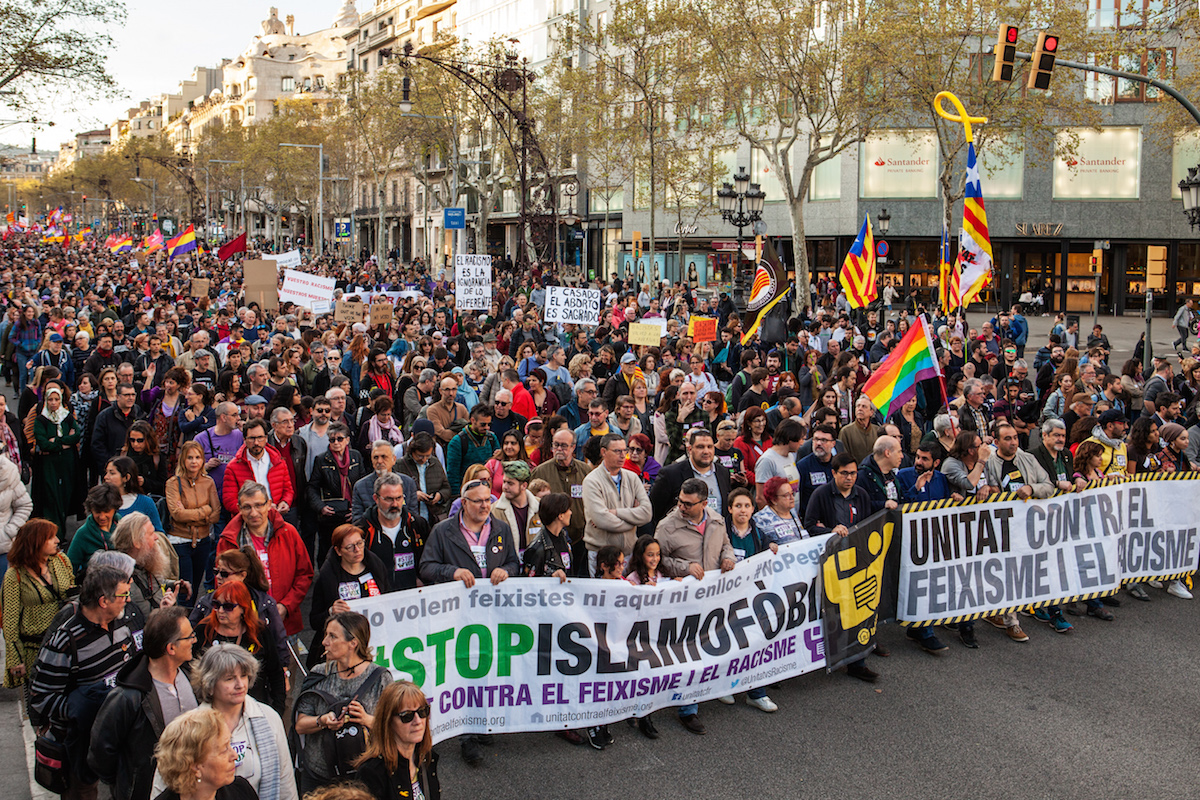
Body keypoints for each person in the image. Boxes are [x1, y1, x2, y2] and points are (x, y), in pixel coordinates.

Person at [418, 478, 519, 766]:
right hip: (458, 617)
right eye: (479, 501)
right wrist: (452, 572)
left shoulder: (500, 528)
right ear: (464, 503)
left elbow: (514, 562)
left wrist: (506, 572)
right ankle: (466, 736)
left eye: (488, 500)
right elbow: (426, 567)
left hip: (492, 614)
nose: (486, 505)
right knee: (463, 670)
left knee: (488, 666)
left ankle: (482, 720)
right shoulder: (442, 531)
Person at [30, 565, 137, 800]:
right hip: (79, 747)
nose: (128, 600)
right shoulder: (65, 641)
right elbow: (40, 697)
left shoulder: (121, 625)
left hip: (116, 739)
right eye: (123, 595)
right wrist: (79, 708)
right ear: (103, 601)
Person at [654, 477, 735, 735]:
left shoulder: (716, 519)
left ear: (704, 503)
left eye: (688, 503)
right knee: (688, 653)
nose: (681, 507)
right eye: (680, 501)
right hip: (684, 602)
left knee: (712, 645)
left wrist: (728, 559)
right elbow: (657, 559)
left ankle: (712, 688)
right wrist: (684, 568)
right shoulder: (667, 527)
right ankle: (688, 709)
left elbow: (725, 545)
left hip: (713, 598)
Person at [89, 607, 197, 800]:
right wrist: (128, 783)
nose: (194, 641)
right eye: (189, 637)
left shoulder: (192, 679)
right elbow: (101, 753)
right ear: (171, 648)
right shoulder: (127, 698)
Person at [294, 612, 393, 791]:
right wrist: (322, 721)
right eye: (326, 635)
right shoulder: (318, 674)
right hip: (318, 777)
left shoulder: (381, 678)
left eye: (332, 636)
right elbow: (300, 725)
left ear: (353, 643)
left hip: (363, 777)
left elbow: (394, 727)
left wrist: (366, 720)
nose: (324, 642)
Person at [187, 644, 298, 800]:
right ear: (209, 685)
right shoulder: (191, 726)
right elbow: (170, 782)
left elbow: (285, 781)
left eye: (244, 675)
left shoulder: (268, 717)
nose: (240, 684)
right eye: (230, 678)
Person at [217, 481, 313, 639]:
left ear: (269, 504)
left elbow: (304, 574)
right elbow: (221, 583)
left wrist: (285, 606)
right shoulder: (228, 541)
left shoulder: (289, 533)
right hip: (244, 624)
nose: (253, 513)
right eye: (247, 507)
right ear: (239, 509)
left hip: (284, 621)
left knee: (286, 663)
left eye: (259, 505)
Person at [193, 581, 286, 714]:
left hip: (255, 709)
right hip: (213, 711)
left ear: (243, 608)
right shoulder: (204, 630)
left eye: (228, 606)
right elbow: (193, 672)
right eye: (216, 605)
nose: (220, 611)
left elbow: (275, 673)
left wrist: (277, 709)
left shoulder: (259, 632)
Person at [3, 519, 74, 688]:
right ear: (36, 542)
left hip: (66, 645)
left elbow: (72, 591)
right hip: (35, 650)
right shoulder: (15, 576)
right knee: (37, 702)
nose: (57, 540)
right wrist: (14, 659)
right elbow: (10, 621)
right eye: (51, 537)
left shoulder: (61, 561)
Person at [308, 524, 390, 667]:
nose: (357, 550)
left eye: (359, 543)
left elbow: (390, 600)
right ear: (338, 551)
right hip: (343, 652)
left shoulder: (376, 567)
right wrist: (330, 612)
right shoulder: (328, 577)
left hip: (376, 643)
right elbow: (314, 620)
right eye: (350, 547)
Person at [189, 547, 287, 657]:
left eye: (224, 574)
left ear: (242, 575)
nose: (218, 577)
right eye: (216, 572)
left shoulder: (265, 603)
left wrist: (283, 664)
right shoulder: (205, 602)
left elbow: (278, 638)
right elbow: (189, 637)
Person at [355, 681, 441, 800]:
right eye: (407, 716)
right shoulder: (372, 773)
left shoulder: (426, 758)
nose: (418, 721)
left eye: (422, 712)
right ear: (388, 722)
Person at [581, 433, 652, 571]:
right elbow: (602, 520)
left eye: (624, 450)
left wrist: (615, 512)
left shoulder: (632, 478)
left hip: (628, 554)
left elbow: (647, 514)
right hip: (602, 555)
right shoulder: (592, 481)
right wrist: (633, 520)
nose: (622, 455)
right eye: (617, 451)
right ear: (603, 452)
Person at [151, 707, 256, 800]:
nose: (235, 755)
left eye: (229, 744)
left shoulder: (241, 790)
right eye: (224, 750)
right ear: (195, 766)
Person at [165, 441, 221, 599]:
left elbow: (216, 515)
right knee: (185, 591)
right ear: (183, 459)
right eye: (190, 457)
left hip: (203, 541)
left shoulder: (208, 482)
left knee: (195, 589)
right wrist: (205, 510)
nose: (194, 461)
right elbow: (177, 514)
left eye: (197, 457)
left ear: (203, 460)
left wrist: (189, 514)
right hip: (180, 541)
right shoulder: (173, 483)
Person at [530, 427, 590, 574]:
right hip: (551, 540)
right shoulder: (541, 471)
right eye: (556, 445)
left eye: (563, 445)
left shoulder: (585, 471)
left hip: (580, 538)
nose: (559, 449)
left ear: (573, 447)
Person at [308, 422, 366, 563]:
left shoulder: (356, 456)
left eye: (339, 439)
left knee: (353, 550)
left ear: (347, 440)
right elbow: (312, 488)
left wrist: (358, 509)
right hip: (331, 515)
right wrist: (320, 507)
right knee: (328, 551)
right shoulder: (321, 460)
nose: (336, 443)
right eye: (332, 439)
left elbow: (362, 485)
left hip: (352, 513)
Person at [649, 428, 732, 528]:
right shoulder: (670, 474)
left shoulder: (723, 472)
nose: (706, 451)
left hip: (716, 535)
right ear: (690, 449)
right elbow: (654, 510)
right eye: (700, 447)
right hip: (682, 536)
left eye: (709, 447)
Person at [113, 512, 183, 617]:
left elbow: (154, 583)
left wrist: (172, 585)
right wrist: (162, 613)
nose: (156, 537)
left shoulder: (144, 560)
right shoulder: (121, 579)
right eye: (151, 533)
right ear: (137, 542)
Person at [32, 383, 77, 532]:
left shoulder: (67, 417)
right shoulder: (41, 419)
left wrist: (57, 441)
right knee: (51, 495)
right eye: (50, 399)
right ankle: (53, 531)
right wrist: (64, 443)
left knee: (65, 494)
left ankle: (62, 529)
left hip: (66, 462)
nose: (53, 402)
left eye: (56, 399)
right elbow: (43, 443)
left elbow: (76, 435)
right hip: (48, 464)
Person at [66, 483, 123, 574]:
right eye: (97, 512)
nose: (102, 517)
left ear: (115, 508)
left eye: (107, 511)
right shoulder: (83, 534)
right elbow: (69, 568)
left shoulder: (122, 525)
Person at [446, 403, 500, 496]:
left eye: (489, 424)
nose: (487, 427)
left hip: (488, 491)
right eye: (483, 424)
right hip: (467, 492)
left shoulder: (492, 438)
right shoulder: (458, 442)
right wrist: (457, 497)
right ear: (473, 420)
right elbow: (453, 475)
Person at [106, 456, 167, 532]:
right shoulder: (102, 501)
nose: (106, 477)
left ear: (126, 477)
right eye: (106, 473)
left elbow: (158, 533)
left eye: (112, 473)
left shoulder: (146, 502)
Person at [489, 460, 540, 550]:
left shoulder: (540, 506)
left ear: (524, 486)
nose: (505, 487)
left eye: (510, 483)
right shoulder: (494, 510)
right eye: (504, 482)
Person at [92, 382, 143, 472]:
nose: (131, 398)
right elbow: (97, 445)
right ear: (117, 397)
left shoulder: (139, 413)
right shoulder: (104, 416)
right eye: (127, 395)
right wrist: (111, 463)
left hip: (135, 466)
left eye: (133, 395)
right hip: (113, 467)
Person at [397, 432, 449, 521]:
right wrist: (413, 496)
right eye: (420, 456)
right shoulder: (400, 465)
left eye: (427, 456)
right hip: (409, 517)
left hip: (433, 516)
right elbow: (394, 492)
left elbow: (446, 487)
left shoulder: (435, 463)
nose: (424, 459)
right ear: (412, 451)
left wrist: (440, 496)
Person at [752, 476, 809, 545]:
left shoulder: (792, 512)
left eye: (792, 493)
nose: (792, 498)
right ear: (773, 500)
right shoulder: (761, 518)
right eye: (787, 495)